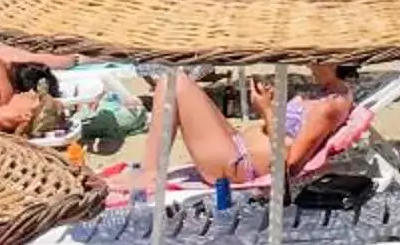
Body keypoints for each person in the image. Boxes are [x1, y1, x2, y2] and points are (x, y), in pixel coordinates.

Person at [117, 64, 355, 189]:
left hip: (237, 164)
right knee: (182, 82)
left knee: (172, 83)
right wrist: (270, 107)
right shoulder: (333, 94)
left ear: (331, 61)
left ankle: (149, 173)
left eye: (314, 59)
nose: (308, 64)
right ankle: (149, 170)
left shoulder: (330, 107)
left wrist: (266, 110)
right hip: (237, 147)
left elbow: (289, 164)